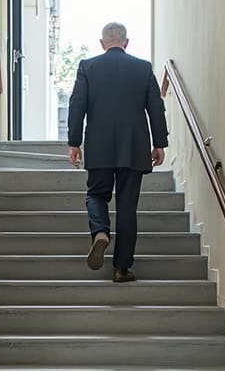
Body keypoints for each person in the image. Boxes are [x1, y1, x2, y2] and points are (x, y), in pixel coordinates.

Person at [67, 22, 168, 283]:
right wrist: (159, 143)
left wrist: (74, 142)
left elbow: (77, 104)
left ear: (102, 43)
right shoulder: (143, 68)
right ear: (126, 42)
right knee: (127, 207)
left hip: (99, 145)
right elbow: (156, 107)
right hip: (133, 148)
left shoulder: (88, 67)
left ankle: (100, 231)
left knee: (95, 194)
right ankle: (122, 269)